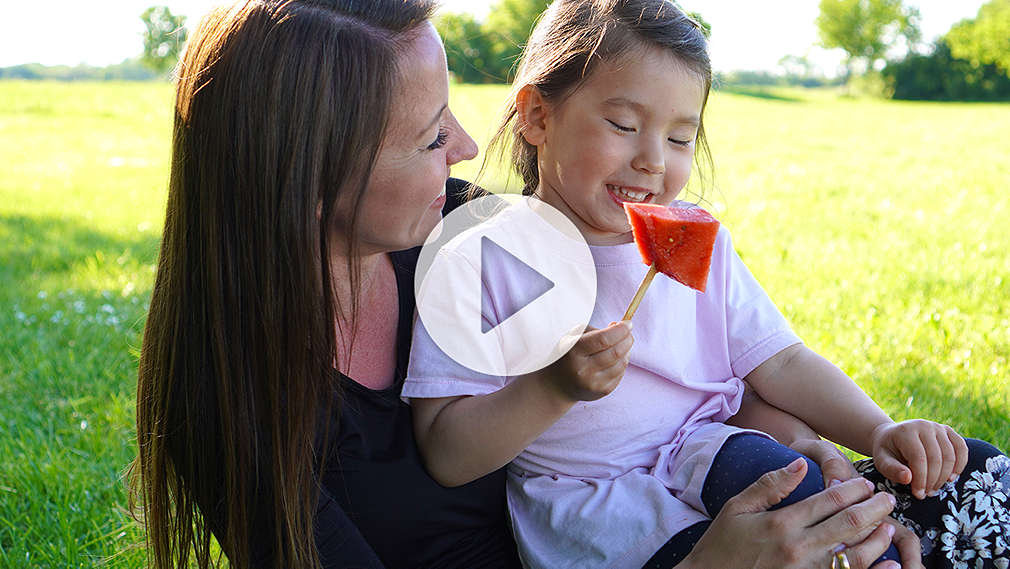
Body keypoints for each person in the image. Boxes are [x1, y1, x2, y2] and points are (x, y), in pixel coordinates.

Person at [128, 1, 1003, 568]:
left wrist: (802, 452)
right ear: (308, 174)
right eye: (432, 134)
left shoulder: (464, 220)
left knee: (976, 485)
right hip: (642, 548)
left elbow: (726, 365)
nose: (470, 148)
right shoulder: (234, 411)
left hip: (715, 486)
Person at [402, 1, 1010, 568]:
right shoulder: (480, 255)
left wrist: (878, 430)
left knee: (973, 475)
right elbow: (446, 453)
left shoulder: (701, 241)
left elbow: (784, 362)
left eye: (679, 137)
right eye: (622, 124)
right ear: (538, 116)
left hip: (715, 453)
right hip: (605, 510)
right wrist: (554, 388)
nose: (653, 160)